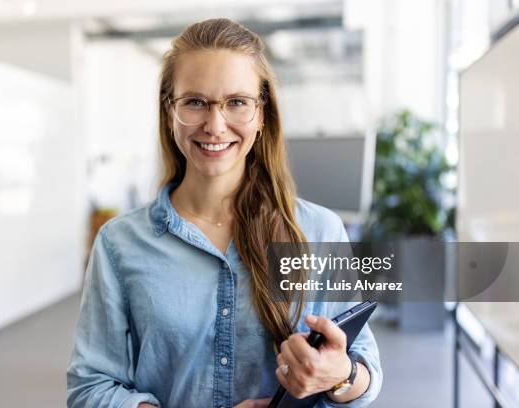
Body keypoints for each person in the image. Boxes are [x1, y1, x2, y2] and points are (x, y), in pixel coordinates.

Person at [67, 18, 382, 408]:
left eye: (236, 102)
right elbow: (90, 388)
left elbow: (366, 371)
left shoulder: (318, 228)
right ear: (170, 112)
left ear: (261, 114)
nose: (215, 126)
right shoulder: (120, 244)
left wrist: (341, 375)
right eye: (195, 102)